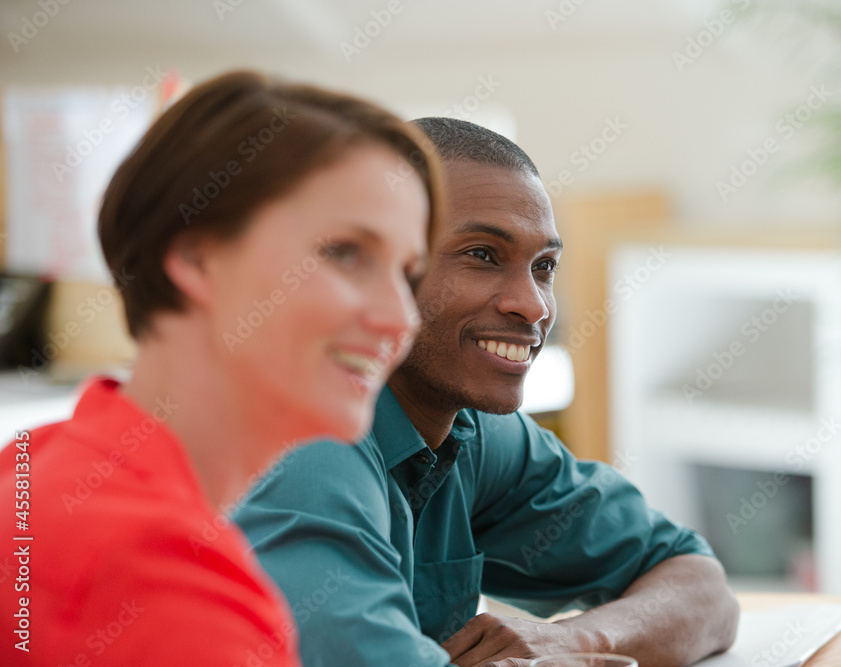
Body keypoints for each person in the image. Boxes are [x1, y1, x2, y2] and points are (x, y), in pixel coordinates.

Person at [234, 118, 739, 667]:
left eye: (544, 267)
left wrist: (577, 640)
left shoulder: (478, 431)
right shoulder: (306, 434)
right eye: (482, 255)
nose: (535, 305)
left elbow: (701, 585)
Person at [0, 71, 443, 665]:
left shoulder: (37, 465)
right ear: (195, 256)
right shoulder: (165, 584)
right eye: (345, 253)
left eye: (408, 275)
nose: (402, 318)